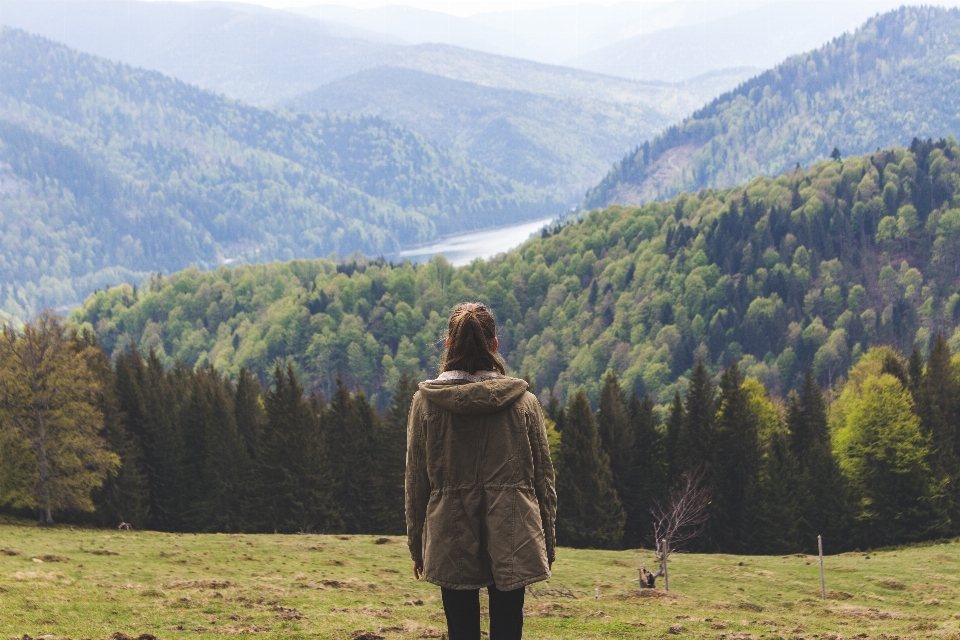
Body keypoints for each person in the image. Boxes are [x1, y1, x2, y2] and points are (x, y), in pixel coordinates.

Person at [405, 302, 557, 640]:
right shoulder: (523, 403)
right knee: (508, 631)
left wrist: (417, 546)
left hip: (449, 533)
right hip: (515, 532)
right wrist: (547, 541)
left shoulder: (426, 404)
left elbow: (416, 481)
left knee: (461, 632)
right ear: (494, 344)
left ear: (448, 345)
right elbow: (544, 481)